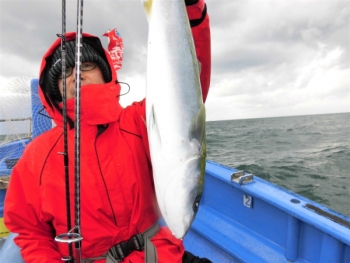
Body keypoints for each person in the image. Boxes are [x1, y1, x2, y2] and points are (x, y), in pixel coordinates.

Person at [4, 0, 211, 262]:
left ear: (105, 73)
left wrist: (191, 8)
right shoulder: (36, 156)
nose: (76, 74)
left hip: (159, 255)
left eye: (86, 65)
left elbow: (186, 91)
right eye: (64, 71)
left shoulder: (137, 122)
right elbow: (29, 231)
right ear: (54, 88)